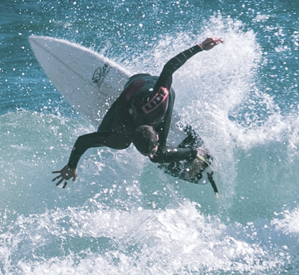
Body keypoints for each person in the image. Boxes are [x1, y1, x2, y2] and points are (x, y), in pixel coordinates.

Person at [53, 36, 223, 186]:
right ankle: (192, 152)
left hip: (144, 87)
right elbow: (82, 140)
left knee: (158, 155)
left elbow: (169, 68)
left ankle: (196, 152)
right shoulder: (120, 138)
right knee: (156, 155)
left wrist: (201, 46)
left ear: (156, 136)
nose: (149, 156)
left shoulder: (157, 101)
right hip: (127, 97)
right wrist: (71, 165)